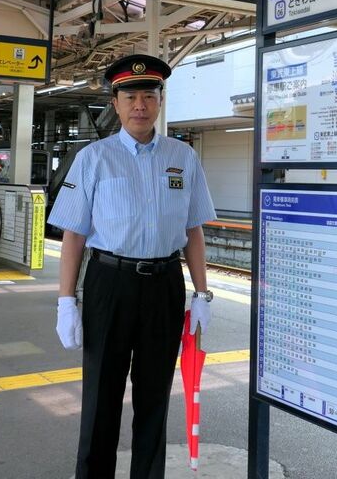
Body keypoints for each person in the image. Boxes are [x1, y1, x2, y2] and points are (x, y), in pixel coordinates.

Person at [51, 54, 216, 479]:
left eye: (149, 95)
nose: (140, 104)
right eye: (131, 96)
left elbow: (194, 229)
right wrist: (66, 302)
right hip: (110, 282)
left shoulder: (183, 157)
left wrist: (202, 292)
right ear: (116, 103)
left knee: (154, 397)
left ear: (159, 102)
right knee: (101, 395)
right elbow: (74, 234)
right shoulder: (93, 158)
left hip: (164, 285)